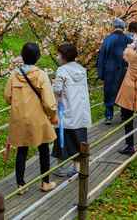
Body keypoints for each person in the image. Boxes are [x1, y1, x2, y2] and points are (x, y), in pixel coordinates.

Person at [4, 42, 58, 194]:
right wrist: (53, 116)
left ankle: (20, 185)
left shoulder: (14, 75)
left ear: (22, 56)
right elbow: (49, 102)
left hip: (19, 118)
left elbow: (7, 97)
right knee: (44, 148)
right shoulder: (41, 75)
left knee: (22, 150)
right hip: (38, 117)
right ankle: (45, 182)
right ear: (38, 57)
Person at [51, 44, 91, 178]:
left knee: (62, 139)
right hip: (80, 111)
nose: (57, 57)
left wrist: (52, 84)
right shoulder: (81, 70)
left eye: (58, 54)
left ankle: (61, 168)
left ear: (64, 56)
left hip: (66, 111)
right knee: (79, 139)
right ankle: (77, 167)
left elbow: (57, 90)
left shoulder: (62, 70)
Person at [96, 19, 131, 124]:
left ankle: (109, 116)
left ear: (113, 27)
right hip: (125, 71)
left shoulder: (108, 40)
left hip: (109, 71)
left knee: (109, 93)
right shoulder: (128, 40)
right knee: (124, 93)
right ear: (123, 27)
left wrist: (101, 73)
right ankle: (124, 115)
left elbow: (101, 57)